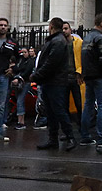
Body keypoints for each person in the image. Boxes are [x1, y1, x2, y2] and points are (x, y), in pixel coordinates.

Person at [31, 17, 77, 151]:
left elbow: (51, 63)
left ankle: (70, 137)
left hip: (55, 82)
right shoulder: (56, 40)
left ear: (51, 26)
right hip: (50, 81)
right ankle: (53, 139)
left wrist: (37, 75)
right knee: (51, 112)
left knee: (58, 110)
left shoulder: (57, 41)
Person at [80, 13, 102, 150]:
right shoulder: (100, 38)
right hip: (99, 76)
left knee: (88, 105)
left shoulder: (86, 37)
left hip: (88, 75)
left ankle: (85, 135)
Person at [62, 22, 85, 129]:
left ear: (70, 30)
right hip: (64, 78)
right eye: (62, 29)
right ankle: (67, 130)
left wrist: (80, 72)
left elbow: (83, 59)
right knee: (65, 105)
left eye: (66, 28)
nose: (64, 31)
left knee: (79, 104)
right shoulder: (60, 43)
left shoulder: (79, 43)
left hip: (76, 78)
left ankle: (81, 127)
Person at [13, 47, 35, 129]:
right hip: (20, 82)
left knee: (20, 100)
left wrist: (19, 76)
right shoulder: (21, 61)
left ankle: (21, 122)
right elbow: (17, 69)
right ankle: (20, 120)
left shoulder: (29, 62)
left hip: (25, 83)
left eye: (25, 52)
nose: (24, 54)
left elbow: (26, 71)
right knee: (19, 100)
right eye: (22, 52)